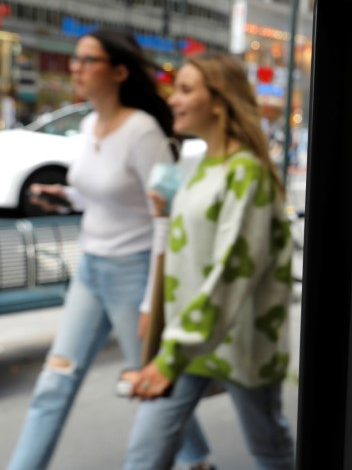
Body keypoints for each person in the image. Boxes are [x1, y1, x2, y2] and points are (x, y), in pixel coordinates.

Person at [8, 29, 213, 470]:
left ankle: (196, 462)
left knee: (152, 384)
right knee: (54, 381)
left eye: (87, 60)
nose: (76, 68)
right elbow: (103, 193)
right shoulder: (88, 125)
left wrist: (149, 302)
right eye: (76, 60)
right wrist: (63, 195)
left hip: (134, 273)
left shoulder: (143, 133)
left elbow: (164, 216)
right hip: (91, 271)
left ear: (119, 71)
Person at [123, 54, 294, 470]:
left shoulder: (246, 172)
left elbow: (233, 268)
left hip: (241, 340)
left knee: (269, 450)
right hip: (188, 341)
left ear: (218, 101)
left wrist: (168, 356)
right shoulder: (198, 166)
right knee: (144, 454)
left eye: (185, 89)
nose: (173, 99)